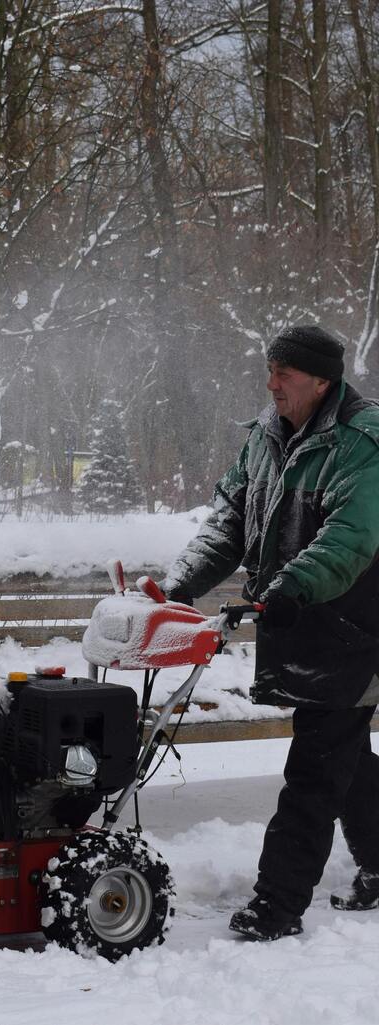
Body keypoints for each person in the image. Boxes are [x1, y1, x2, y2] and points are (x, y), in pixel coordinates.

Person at [160, 324, 379, 941]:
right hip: (296, 622)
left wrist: (287, 588)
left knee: (315, 766)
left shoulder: (362, 443)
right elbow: (231, 516)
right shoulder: (265, 436)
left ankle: (277, 906)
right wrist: (180, 584)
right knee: (345, 756)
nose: (271, 382)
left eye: (283, 373)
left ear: (321, 380)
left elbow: (350, 538)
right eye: (269, 369)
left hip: (352, 629)